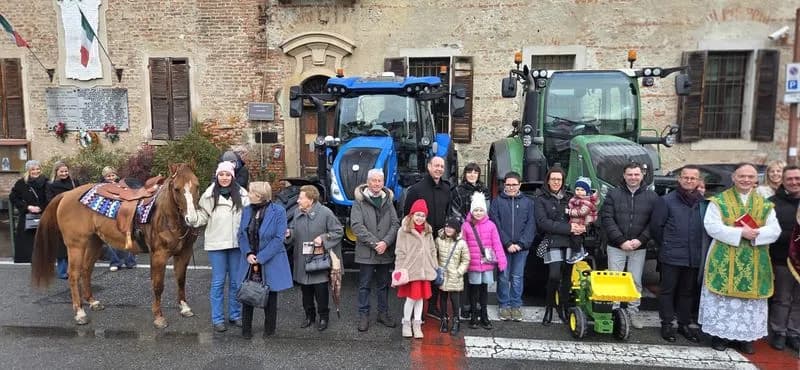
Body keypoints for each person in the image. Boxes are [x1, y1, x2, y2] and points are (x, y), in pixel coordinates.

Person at [699, 163, 780, 354]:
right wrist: (739, 233)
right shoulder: (719, 201)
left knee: (749, 302)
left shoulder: (765, 204)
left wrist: (756, 233)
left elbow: (774, 229)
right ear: (734, 178)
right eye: (742, 176)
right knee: (723, 298)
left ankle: (747, 338)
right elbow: (711, 226)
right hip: (724, 255)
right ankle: (721, 336)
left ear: (756, 180)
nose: (746, 180)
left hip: (754, 257)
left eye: (750, 177)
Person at [184, 161, 249, 332]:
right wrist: (190, 208)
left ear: (233, 176)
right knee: (218, 282)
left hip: (236, 245)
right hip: (217, 244)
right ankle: (217, 318)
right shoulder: (209, 195)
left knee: (236, 282)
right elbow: (201, 218)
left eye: (228, 174)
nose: (225, 178)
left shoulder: (242, 194)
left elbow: (249, 217)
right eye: (222, 174)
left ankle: (235, 315)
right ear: (217, 176)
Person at [600, 162, 659, 329]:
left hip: (639, 247)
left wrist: (641, 240)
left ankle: (633, 312)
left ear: (642, 176)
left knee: (635, 280)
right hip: (616, 246)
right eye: (630, 174)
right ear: (624, 175)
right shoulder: (613, 194)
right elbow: (607, 219)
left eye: (636, 174)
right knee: (615, 280)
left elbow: (653, 222)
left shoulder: (651, 197)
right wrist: (621, 240)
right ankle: (614, 312)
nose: (633, 178)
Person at [649, 165, 704, 343]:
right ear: (679, 179)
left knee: (687, 292)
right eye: (685, 177)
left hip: (693, 256)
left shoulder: (703, 203)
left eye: (692, 178)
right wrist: (666, 244)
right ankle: (666, 323)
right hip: (671, 254)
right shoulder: (666, 200)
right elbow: (657, 227)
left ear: (698, 181)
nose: (689, 181)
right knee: (668, 291)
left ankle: (684, 324)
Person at [236, 182, 292, 339]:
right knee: (247, 293)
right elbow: (241, 234)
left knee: (270, 295)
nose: (248, 194)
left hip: (270, 258)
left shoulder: (278, 211)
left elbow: (279, 237)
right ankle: (246, 331)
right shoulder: (246, 210)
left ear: (259, 195)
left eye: (251, 192)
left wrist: (261, 258)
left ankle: (269, 330)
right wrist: (247, 253)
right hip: (249, 259)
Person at [286, 185, 343, 332]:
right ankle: (309, 316)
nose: (298, 201)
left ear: (310, 200)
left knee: (320, 291)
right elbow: (293, 230)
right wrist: (289, 234)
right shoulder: (298, 212)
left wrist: (323, 238)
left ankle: (323, 317)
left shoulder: (325, 213)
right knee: (306, 291)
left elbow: (338, 231)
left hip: (319, 261)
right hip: (302, 259)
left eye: (301, 198)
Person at [350, 169, 401, 332]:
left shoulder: (388, 201)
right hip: (367, 252)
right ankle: (363, 315)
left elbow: (395, 224)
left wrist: (385, 242)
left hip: (384, 252)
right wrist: (375, 243)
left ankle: (383, 313)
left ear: (383, 182)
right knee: (364, 285)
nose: (377, 184)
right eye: (374, 180)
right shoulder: (359, 202)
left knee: (383, 285)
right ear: (368, 181)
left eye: (380, 181)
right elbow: (357, 226)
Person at [534, 167, 584, 326]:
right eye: (553, 179)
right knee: (554, 275)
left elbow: (582, 215)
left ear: (563, 181)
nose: (556, 182)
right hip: (553, 240)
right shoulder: (541, 199)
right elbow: (543, 223)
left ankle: (562, 307)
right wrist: (569, 228)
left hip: (571, 241)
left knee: (567, 277)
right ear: (548, 180)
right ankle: (549, 307)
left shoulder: (571, 197)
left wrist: (583, 227)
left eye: (559, 179)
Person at [403, 156, 451, 319]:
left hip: (440, 239)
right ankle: (417, 311)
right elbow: (407, 215)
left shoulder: (446, 188)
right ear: (429, 166)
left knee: (436, 273)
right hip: (421, 239)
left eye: (442, 167)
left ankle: (431, 306)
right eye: (436, 165)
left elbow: (448, 213)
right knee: (419, 274)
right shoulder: (416, 190)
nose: (439, 169)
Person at [489, 171, 535, 322]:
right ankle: (504, 305)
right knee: (503, 277)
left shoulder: (528, 202)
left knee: (517, 277)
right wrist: (507, 243)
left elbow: (531, 225)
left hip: (522, 248)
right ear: (504, 185)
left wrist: (521, 243)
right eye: (508, 184)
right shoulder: (497, 202)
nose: (511, 187)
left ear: (519, 185)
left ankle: (516, 305)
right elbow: (496, 224)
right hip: (503, 247)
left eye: (514, 184)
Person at [449, 162, 490, 320]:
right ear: (465, 174)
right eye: (469, 172)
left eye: (475, 172)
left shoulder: (484, 190)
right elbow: (455, 212)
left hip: (482, 235)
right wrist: (465, 227)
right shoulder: (458, 190)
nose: (472, 174)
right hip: (465, 233)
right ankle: (465, 306)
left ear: (479, 174)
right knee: (466, 273)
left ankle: (479, 306)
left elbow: (487, 211)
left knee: (481, 273)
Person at [766, 165, 800, 352]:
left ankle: (794, 332)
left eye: (797, 178)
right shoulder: (772, 203)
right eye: (790, 179)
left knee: (799, 300)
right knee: (782, 298)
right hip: (782, 260)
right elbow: (769, 233)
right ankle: (778, 332)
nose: (794, 182)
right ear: (783, 181)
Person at [395, 199, 438, 339]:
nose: (420, 218)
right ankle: (406, 323)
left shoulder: (428, 231)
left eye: (423, 216)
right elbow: (400, 251)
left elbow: (432, 249)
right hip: (410, 269)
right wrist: (399, 269)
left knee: (420, 299)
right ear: (412, 214)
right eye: (417, 215)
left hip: (424, 269)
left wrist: (434, 265)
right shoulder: (404, 230)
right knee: (411, 298)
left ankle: (417, 323)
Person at [463, 193, 507, 330]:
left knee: (484, 290)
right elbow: (462, 246)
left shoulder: (491, 225)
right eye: (475, 210)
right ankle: (474, 316)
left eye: (481, 210)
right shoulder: (466, 226)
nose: (478, 213)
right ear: (471, 211)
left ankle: (484, 315)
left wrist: (501, 260)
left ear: (485, 211)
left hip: (487, 263)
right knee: (474, 290)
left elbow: (497, 244)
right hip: (473, 263)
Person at [435, 216, 470, 335]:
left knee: (455, 300)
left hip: (455, 276)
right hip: (443, 275)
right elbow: (434, 255)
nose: (448, 229)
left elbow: (465, 259)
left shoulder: (461, 243)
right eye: (447, 227)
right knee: (443, 298)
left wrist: (459, 272)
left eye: (452, 227)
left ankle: (456, 320)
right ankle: (443, 320)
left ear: (456, 229)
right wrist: (436, 269)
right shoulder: (439, 240)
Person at [46, 161, 80, 279]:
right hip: (60, 216)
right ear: (56, 172)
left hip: (75, 216)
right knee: (61, 244)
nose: (64, 173)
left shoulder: (74, 182)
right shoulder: (51, 185)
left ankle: (74, 268)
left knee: (75, 242)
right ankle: (62, 270)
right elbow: (50, 201)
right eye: (62, 171)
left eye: (66, 171)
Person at [9, 160, 48, 264]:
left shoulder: (47, 182)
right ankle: (29, 259)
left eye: (38, 169)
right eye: (33, 169)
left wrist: (41, 207)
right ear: (28, 171)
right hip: (27, 215)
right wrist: (27, 207)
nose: (36, 171)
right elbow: (13, 197)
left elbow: (50, 198)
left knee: (43, 237)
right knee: (28, 239)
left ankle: (43, 259)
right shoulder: (21, 183)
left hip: (43, 214)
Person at [99, 167, 136, 271]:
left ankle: (130, 261)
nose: (111, 178)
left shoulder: (122, 185)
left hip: (123, 215)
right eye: (108, 176)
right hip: (108, 215)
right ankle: (115, 262)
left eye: (112, 175)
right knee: (111, 239)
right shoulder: (101, 187)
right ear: (104, 177)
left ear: (116, 175)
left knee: (127, 237)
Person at [565, 176, 597, 264]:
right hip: (576, 222)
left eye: (582, 190)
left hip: (582, 223)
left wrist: (569, 211)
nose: (579, 192)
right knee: (572, 237)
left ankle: (578, 252)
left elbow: (582, 212)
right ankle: (579, 251)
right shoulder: (576, 199)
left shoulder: (587, 202)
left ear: (587, 191)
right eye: (577, 189)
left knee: (576, 237)